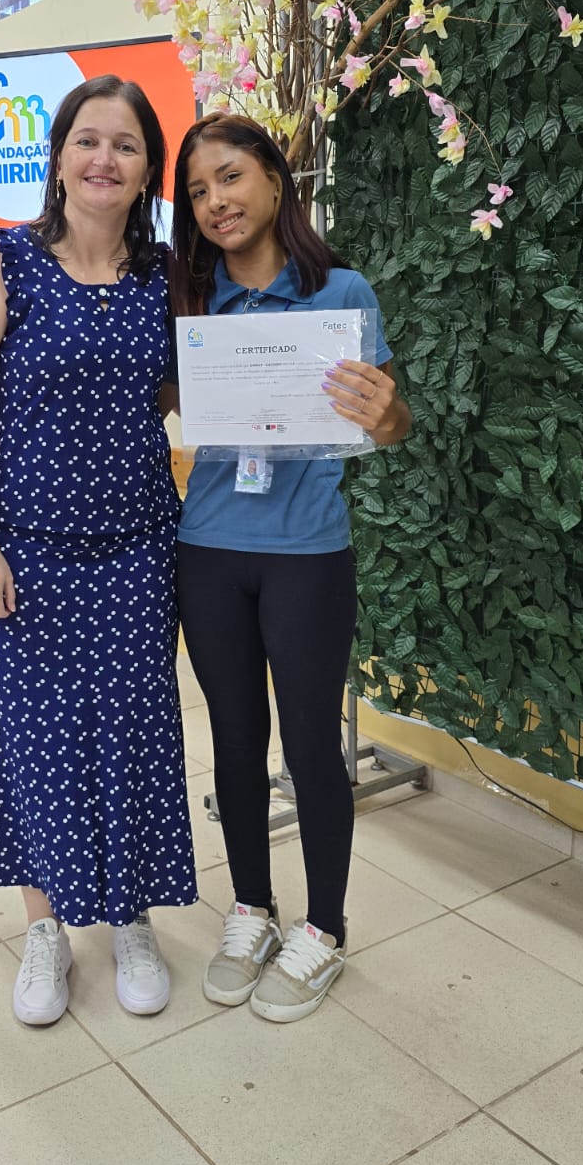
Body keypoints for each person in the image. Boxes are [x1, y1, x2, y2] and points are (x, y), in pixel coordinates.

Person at [0, 74, 197, 1028]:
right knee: (31, 745)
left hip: (136, 552)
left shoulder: (164, 276)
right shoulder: (5, 262)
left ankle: (129, 917)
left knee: (131, 736)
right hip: (24, 557)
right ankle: (44, 929)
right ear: (58, 158)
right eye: (88, 140)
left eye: (126, 145)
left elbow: (179, 394)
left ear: (147, 170)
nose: (104, 160)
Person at [169, 112, 411, 1023]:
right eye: (198, 191)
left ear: (275, 179)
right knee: (234, 739)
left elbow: (392, 425)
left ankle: (325, 929)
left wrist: (386, 413)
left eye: (230, 177)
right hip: (208, 548)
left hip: (308, 553)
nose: (216, 202)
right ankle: (251, 911)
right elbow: (140, 396)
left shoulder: (341, 292)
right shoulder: (191, 301)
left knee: (311, 745)